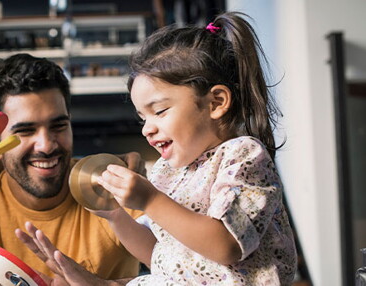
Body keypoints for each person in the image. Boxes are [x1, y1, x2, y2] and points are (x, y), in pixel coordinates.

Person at [20, 12, 298, 285]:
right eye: (143, 118)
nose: (146, 129)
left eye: (160, 111)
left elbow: (227, 246)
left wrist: (150, 200)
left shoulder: (243, 156)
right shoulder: (169, 171)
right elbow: (159, 256)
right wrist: (115, 216)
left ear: (216, 103)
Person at [0, 53, 147, 285]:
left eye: (59, 125)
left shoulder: (114, 190)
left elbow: (186, 274)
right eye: (25, 131)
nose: (47, 145)